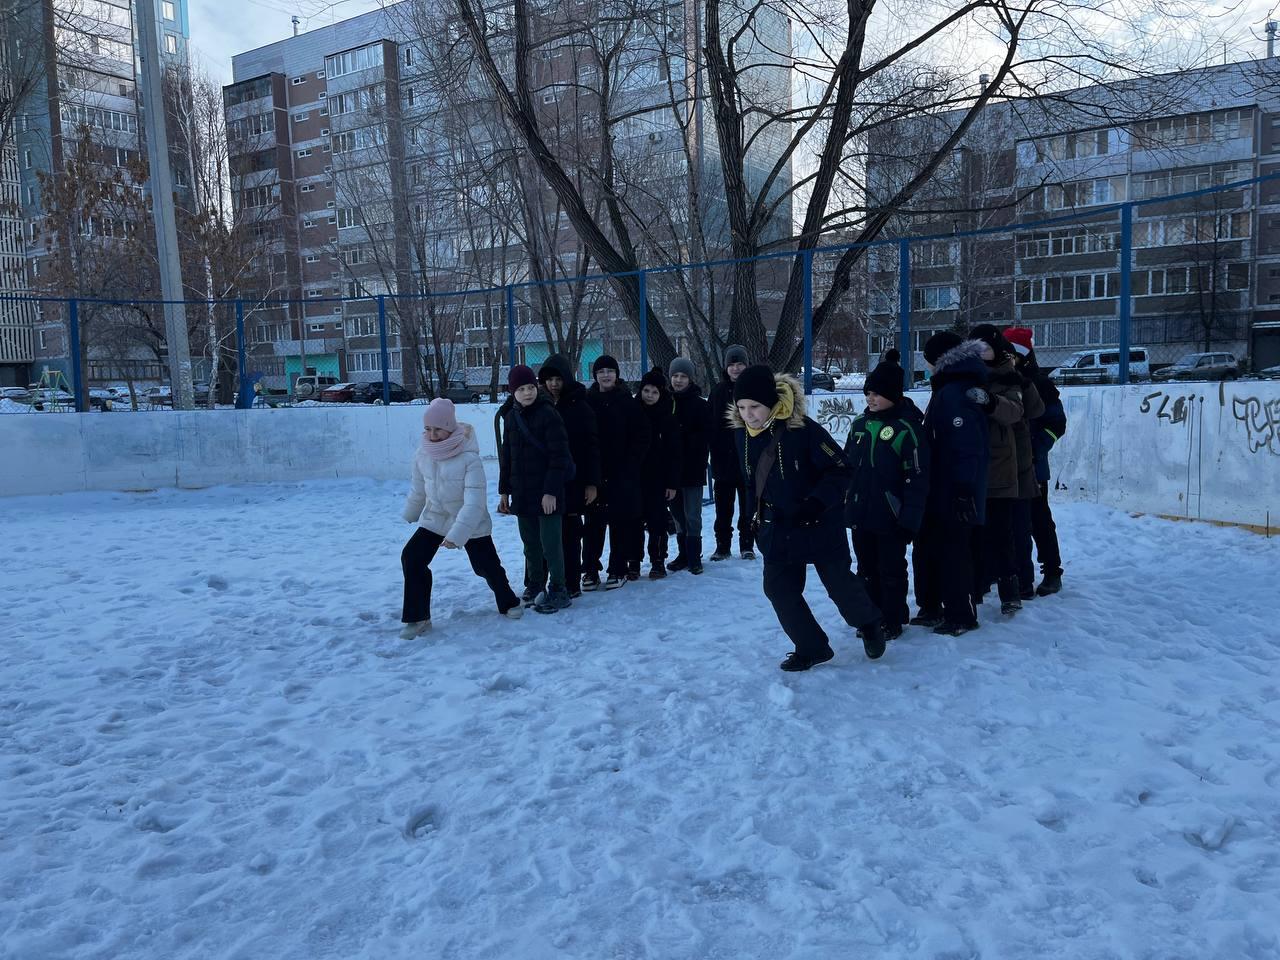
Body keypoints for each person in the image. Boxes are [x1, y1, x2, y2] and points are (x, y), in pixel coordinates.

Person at [731, 363, 885, 670]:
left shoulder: (803, 430)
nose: (748, 415)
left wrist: (817, 502)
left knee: (838, 584)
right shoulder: (743, 435)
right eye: (742, 407)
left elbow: (841, 469)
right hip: (778, 526)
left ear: (772, 402)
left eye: (755, 407)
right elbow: (750, 483)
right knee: (778, 588)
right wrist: (749, 520)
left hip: (819, 522)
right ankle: (811, 647)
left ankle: (868, 623)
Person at [400, 399, 522, 638]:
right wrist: (411, 512)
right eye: (428, 429)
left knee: (485, 567)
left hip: (470, 521)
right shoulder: (422, 453)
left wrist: (457, 535)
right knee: (412, 558)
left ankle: (509, 602)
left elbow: (475, 503)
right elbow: (419, 489)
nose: (432, 435)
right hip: (436, 517)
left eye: (438, 429)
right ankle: (418, 617)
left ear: (450, 427)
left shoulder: (469, 458)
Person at [911, 332, 991, 636]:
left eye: (929, 362)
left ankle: (961, 613)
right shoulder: (948, 389)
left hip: (955, 489)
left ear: (940, 361)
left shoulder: (957, 392)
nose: (928, 368)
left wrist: (962, 490)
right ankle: (934, 606)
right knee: (934, 546)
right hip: (942, 486)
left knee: (955, 550)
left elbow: (966, 447)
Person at [843, 363, 930, 640]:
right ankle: (871, 617)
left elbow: (917, 481)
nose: (871, 399)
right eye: (868, 393)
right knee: (865, 568)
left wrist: (909, 521)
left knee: (890, 569)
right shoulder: (859, 425)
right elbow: (846, 469)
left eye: (877, 394)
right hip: (861, 513)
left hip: (891, 516)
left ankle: (893, 618)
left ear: (893, 394)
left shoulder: (907, 428)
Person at [966, 324, 1031, 617]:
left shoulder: (1009, 376)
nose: (981, 354)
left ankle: (1009, 590)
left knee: (1002, 533)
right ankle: (977, 585)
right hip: (971, 467)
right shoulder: (965, 376)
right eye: (975, 348)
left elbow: (1014, 412)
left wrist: (990, 402)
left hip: (1001, 467)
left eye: (986, 348)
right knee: (974, 534)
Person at [498, 365, 574, 614]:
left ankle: (559, 589)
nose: (528, 392)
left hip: (547, 493)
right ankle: (536, 584)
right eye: (521, 389)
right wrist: (504, 491)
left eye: (531, 387)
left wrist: (551, 491)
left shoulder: (548, 413)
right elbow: (506, 458)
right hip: (522, 493)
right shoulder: (510, 417)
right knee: (530, 543)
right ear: (513, 392)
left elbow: (559, 456)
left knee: (551, 543)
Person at [1004, 327, 1066, 596]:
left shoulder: (1039, 384)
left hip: (1033, 467)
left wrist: (1035, 449)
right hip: (1005, 467)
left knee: (1039, 520)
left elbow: (1056, 423)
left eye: (1011, 355)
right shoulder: (1000, 381)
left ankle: (1052, 571)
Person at [583, 355, 651, 589]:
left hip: (622, 474)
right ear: (595, 376)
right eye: (601, 371)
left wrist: (631, 464)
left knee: (620, 522)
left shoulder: (628, 402)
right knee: (593, 524)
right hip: (594, 474)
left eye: (610, 371)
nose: (605, 375)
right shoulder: (587, 401)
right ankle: (590, 570)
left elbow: (642, 437)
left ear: (616, 374)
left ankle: (617, 568)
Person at [538, 354, 602, 600]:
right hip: (545, 483)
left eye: (558, 379)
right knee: (545, 534)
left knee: (571, 533)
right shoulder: (536, 405)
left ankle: (572, 581)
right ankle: (540, 581)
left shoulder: (580, 405)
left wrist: (592, 483)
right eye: (548, 379)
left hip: (574, 481)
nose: (554, 384)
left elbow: (592, 447)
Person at [707, 344, 754, 561]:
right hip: (723, 462)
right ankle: (722, 546)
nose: (735, 369)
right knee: (723, 509)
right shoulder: (717, 392)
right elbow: (710, 425)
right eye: (731, 365)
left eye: (740, 364)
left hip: (748, 461)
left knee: (747, 507)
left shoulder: (755, 390)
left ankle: (747, 545)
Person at [637, 368, 683, 578]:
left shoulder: (668, 418)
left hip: (658, 478)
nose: (649, 395)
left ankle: (658, 560)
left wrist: (672, 483)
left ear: (661, 393)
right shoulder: (634, 412)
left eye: (654, 392)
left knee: (657, 521)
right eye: (646, 390)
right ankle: (633, 561)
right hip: (636, 477)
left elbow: (674, 454)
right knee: (635, 521)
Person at [667, 357, 711, 574]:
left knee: (692, 513)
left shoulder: (700, 405)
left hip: (692, 468)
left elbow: (703, 438)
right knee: (677, 514)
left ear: (690, 379)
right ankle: (683, 553)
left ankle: (694, 555)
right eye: (675, 376)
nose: (678, 380)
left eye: (683, 376)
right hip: (671, 471)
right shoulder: (666, 403)